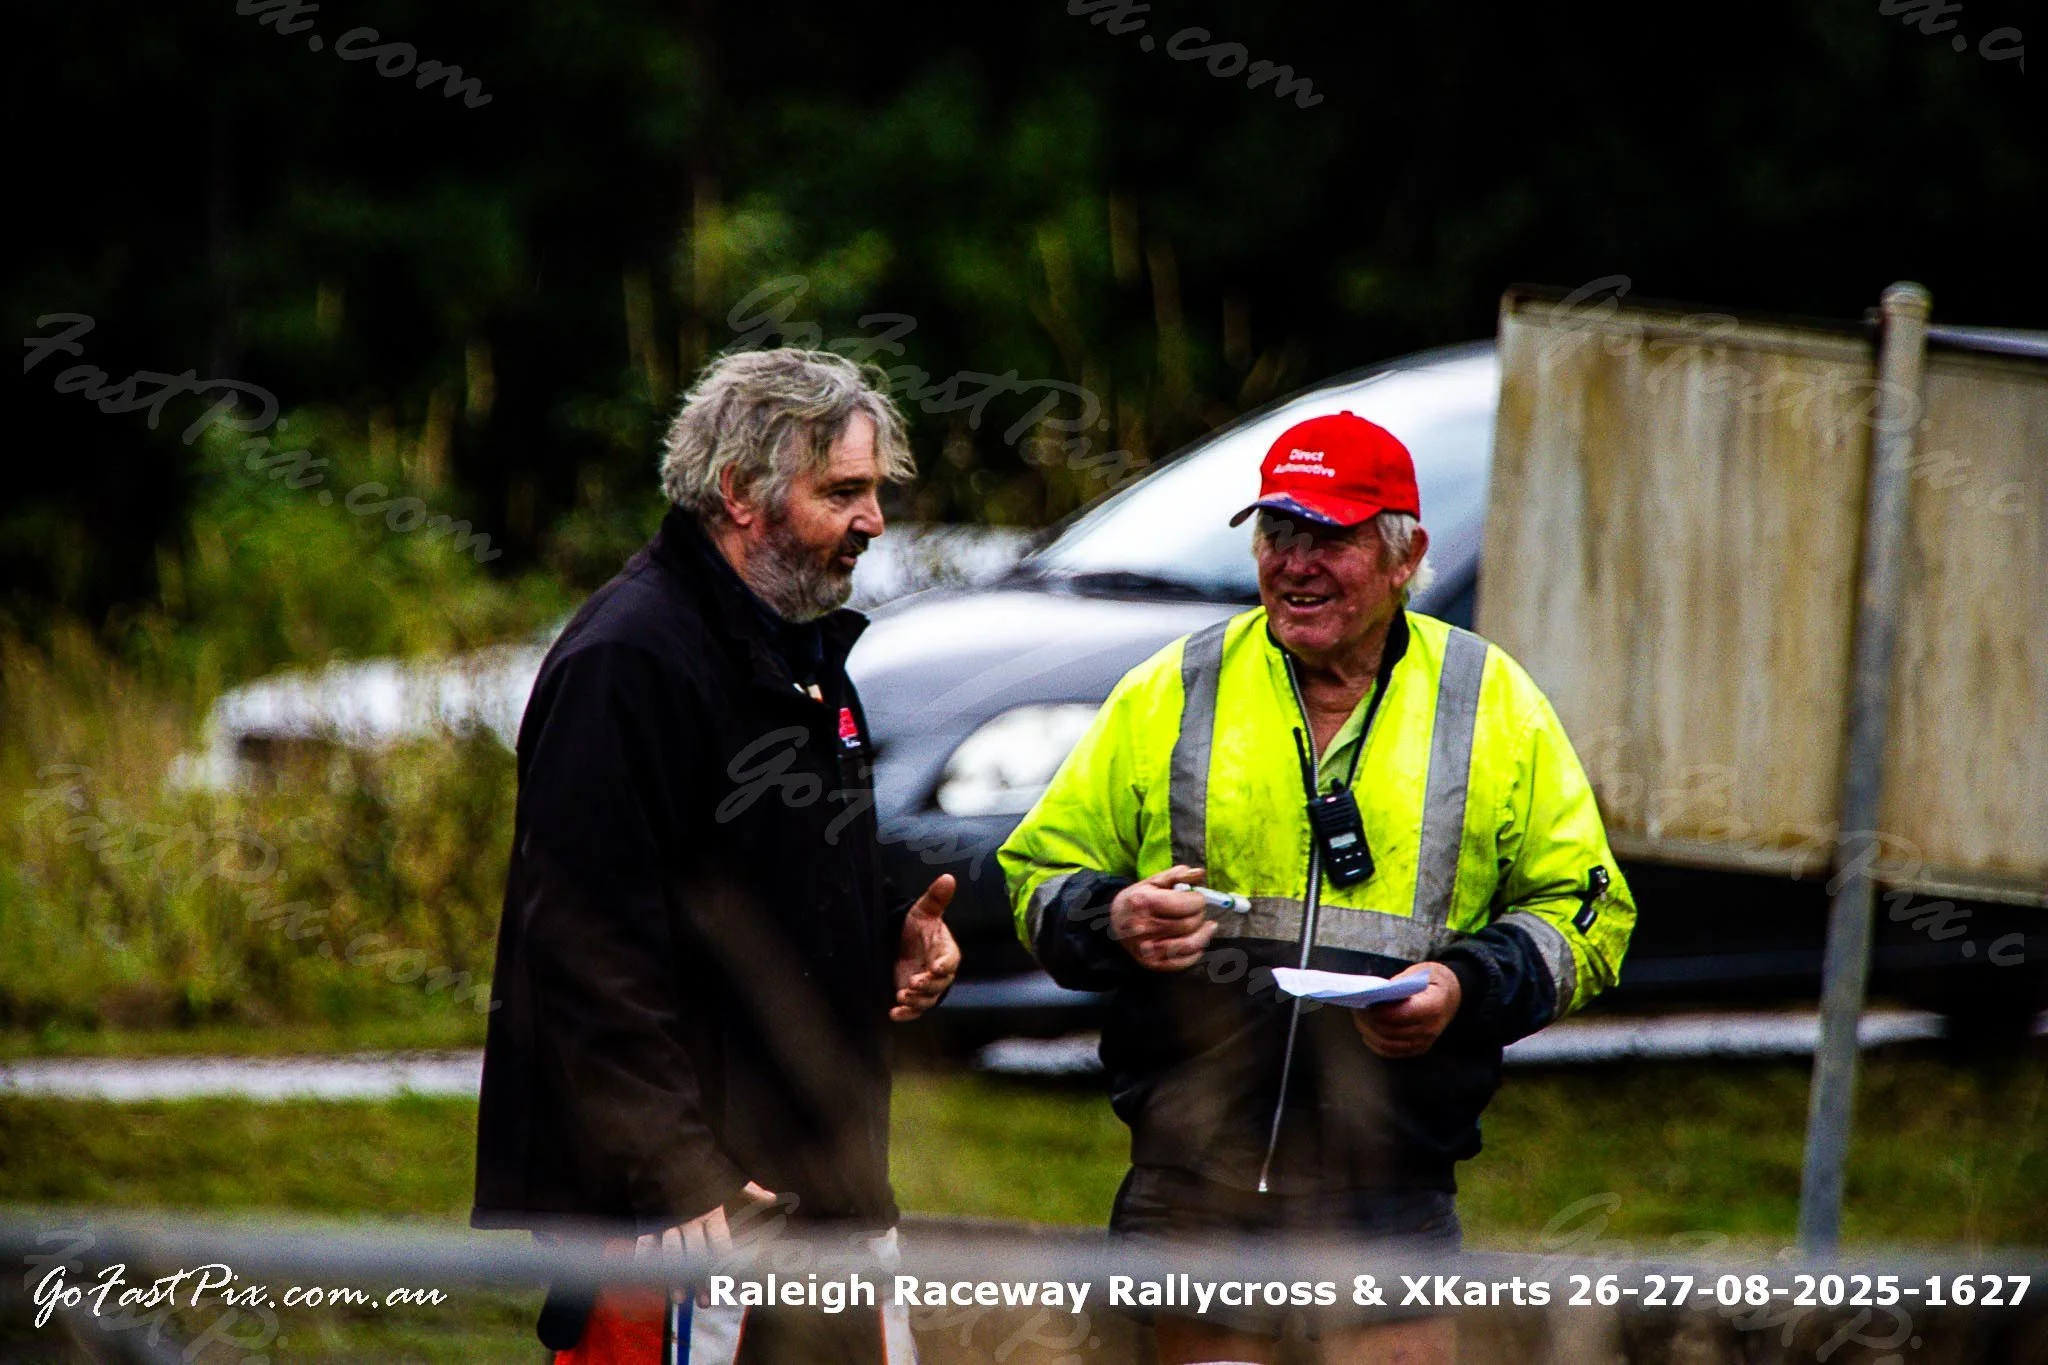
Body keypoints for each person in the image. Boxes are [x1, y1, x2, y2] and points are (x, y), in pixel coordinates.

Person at [998, 409, 1636, 1364]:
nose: (1295, 563)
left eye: (1328, 537)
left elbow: (1588, 914)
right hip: (1193, 1178)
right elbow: (1035, 874)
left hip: (1390, 1181)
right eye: (1278, 533)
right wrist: (1115, 916)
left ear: (1404, 555)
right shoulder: (1174, 686)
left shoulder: (1490, 699)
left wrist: (1464, 987)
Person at [473, 347, 959, 1364]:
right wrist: (672, 1166)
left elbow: (761, 891)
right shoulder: (627, 660)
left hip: (832, 1192)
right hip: (688, 1221)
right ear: (740, 492)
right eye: (844, 492)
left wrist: (890, 942)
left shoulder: (801, 652)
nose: (873, 521)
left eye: (874, 490)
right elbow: (578, 945)